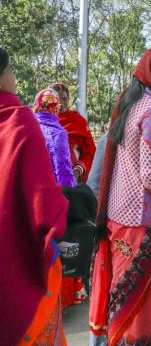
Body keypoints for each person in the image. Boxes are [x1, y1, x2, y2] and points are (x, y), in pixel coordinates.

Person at [89, 45, 151, 346]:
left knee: (124, 292)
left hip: (119, 215)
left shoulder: (128, 101)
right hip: (148, 220)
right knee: (149, 301)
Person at [0, 47, 69, 345]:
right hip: (19, 248)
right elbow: (45, 198)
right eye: (12, 69)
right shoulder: (19, 120)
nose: (15, 77)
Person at [50, 82, 96, 184]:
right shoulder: (43, 121)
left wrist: (78, 170)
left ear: (69, 99)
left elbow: (90, 152)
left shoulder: (78, 121)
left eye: (64, 99)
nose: (60, 103)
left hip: (72, 179)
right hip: (47, 178)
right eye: (56, 99)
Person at [33, 88, 75, 187]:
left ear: (36, 105)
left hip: (31, 190)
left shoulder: (28, 127)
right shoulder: (60, 133)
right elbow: (64, 170)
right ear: (56, 108)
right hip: (52, 192)